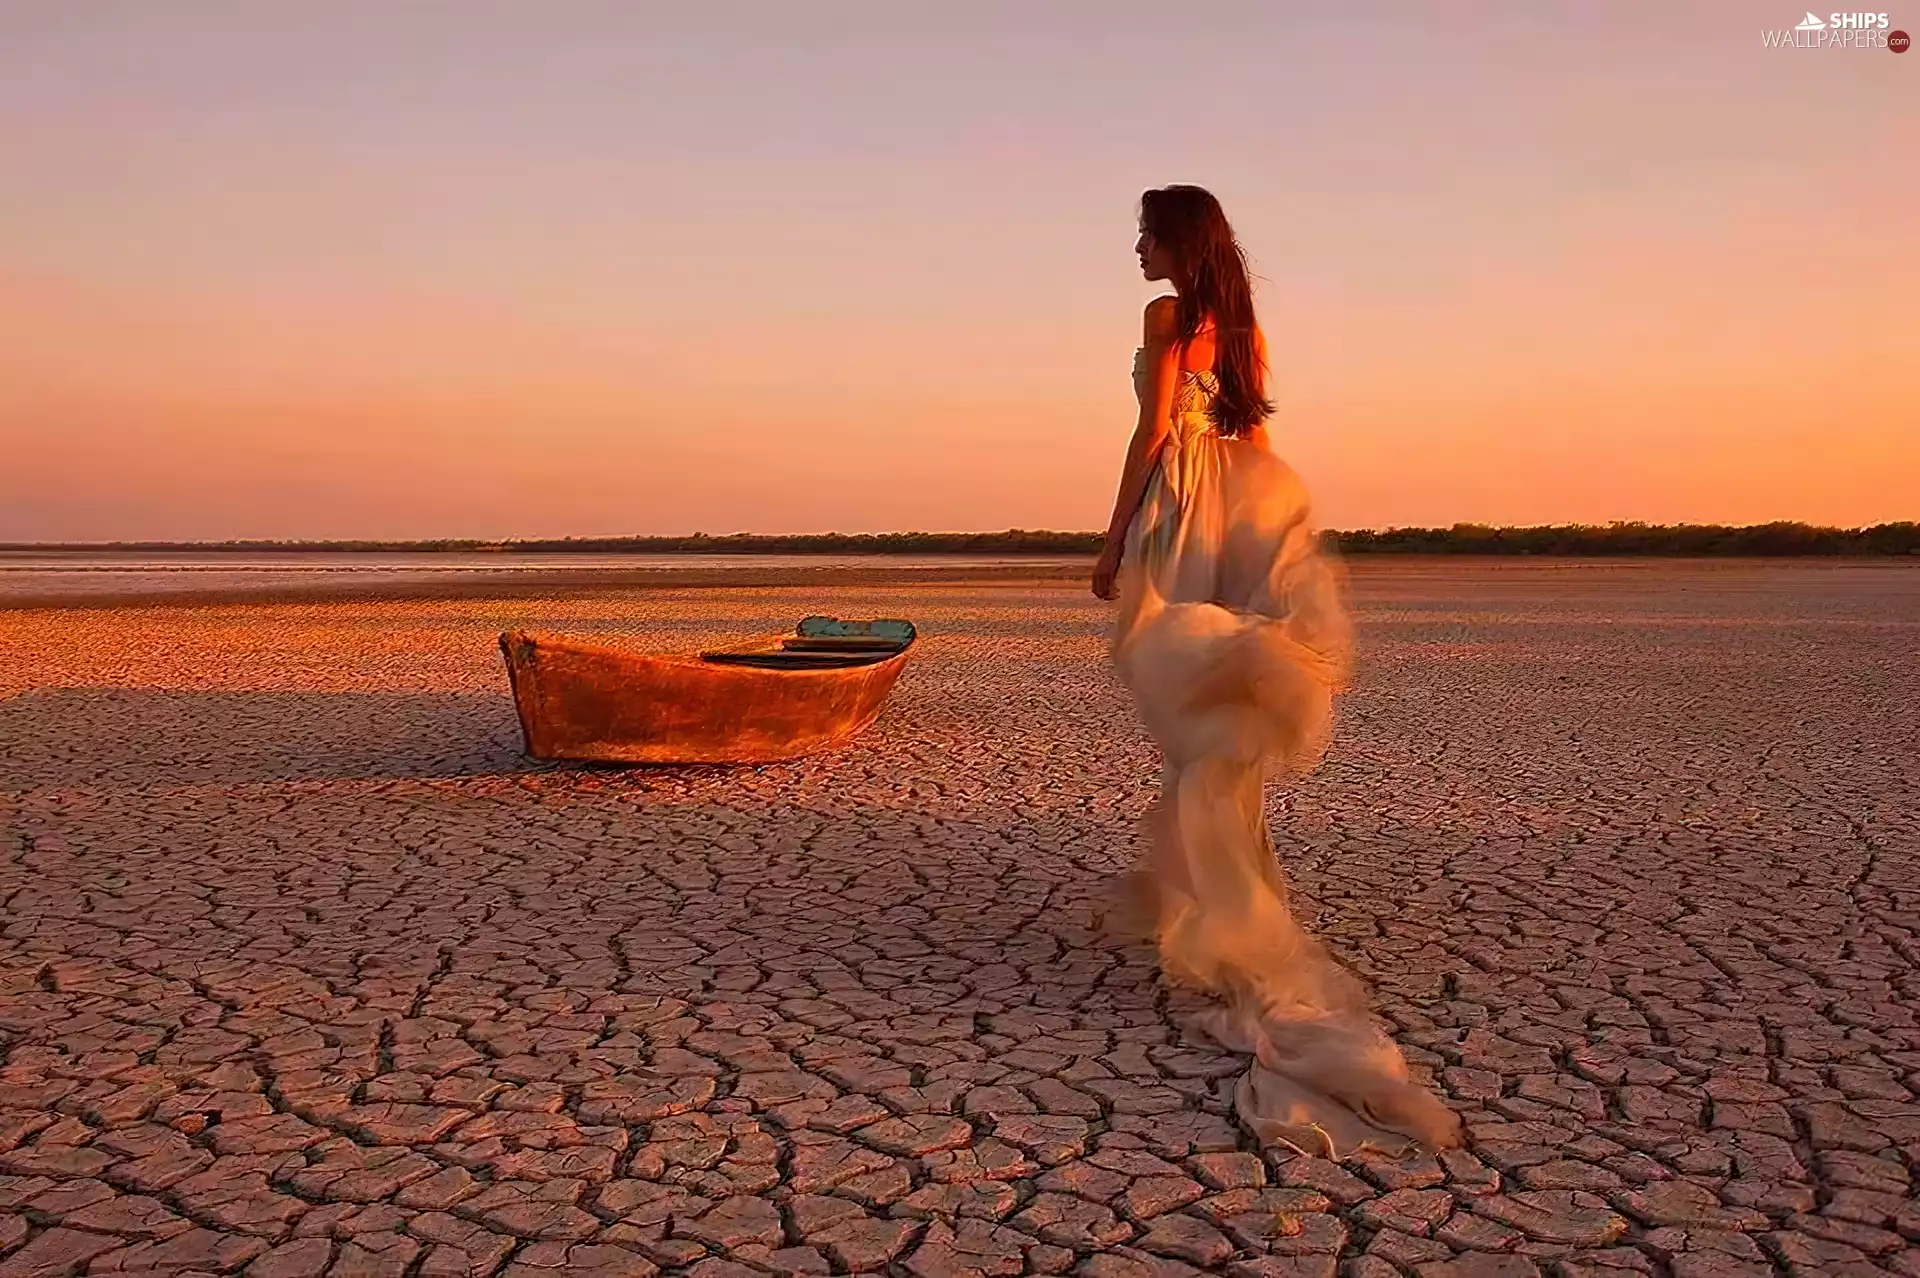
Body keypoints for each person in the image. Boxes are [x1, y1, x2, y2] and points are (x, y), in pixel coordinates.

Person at [1094, 185, 1461, 1155]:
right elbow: (1256, 441)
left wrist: (1113, 539)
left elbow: (1153, 433)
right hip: (1236, 507)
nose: (1138, 250)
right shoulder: (1246, 331)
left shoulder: (1167, 316)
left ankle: (1229, 922)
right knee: (1218, 717)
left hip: (1179, 504)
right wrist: (1269, 545)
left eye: (1146, 235)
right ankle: (1223, 908)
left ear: (1178, 241)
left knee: (1189, 704)